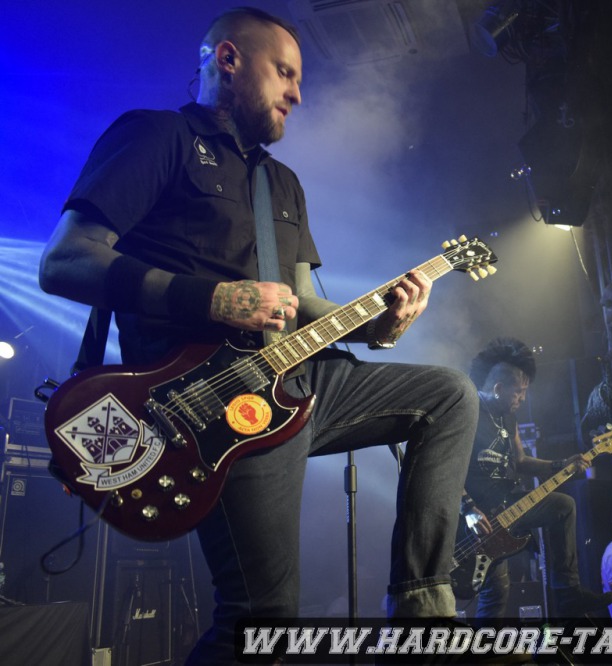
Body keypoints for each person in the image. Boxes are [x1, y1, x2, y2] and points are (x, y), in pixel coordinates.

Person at [38, 7, 478, 663]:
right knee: (262, 624)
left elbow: (300, 305)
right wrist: (214, 298)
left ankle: (422, 614)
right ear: (229, 59)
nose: (298, 94)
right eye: (285, 73)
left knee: (450, 396)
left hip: (299, 381)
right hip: (213, 402)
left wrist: (377, 326)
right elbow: (65, 261)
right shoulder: (157, 137)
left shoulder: (283, 184)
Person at [459, 337, 612, 619]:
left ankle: (567, 593)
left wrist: (562, 464)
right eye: (519, 392)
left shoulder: (508, 419)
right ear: (498, 389)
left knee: (562, 506)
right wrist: (467, 508)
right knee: (496, 592)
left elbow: (520, 462)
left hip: (506, 507)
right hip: (475, 519)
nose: (522, 399)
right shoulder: (467, 412)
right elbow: (447, 466)